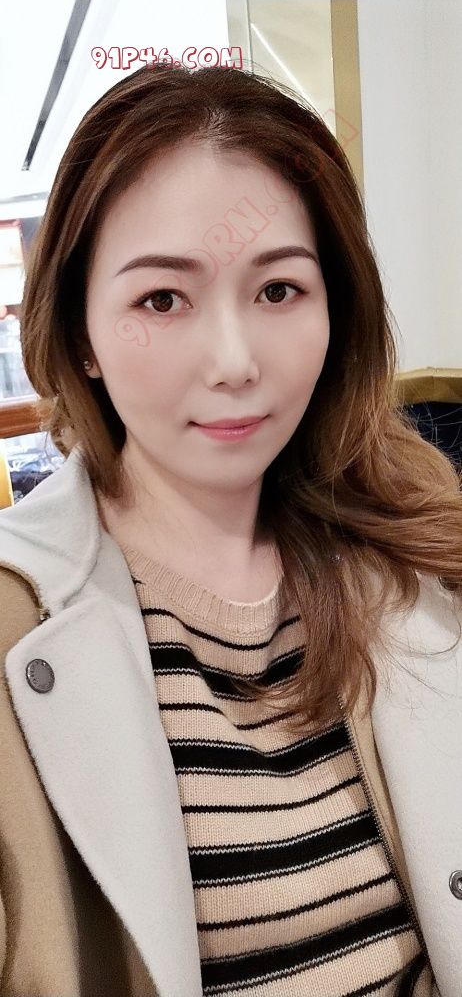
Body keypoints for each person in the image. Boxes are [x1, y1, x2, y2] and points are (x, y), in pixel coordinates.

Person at [0, 62, 460, 997]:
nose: (235, 361)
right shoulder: (20, 619)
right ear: (82, 334)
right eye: (162, 300)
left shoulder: (411, 538)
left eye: (279, 290)